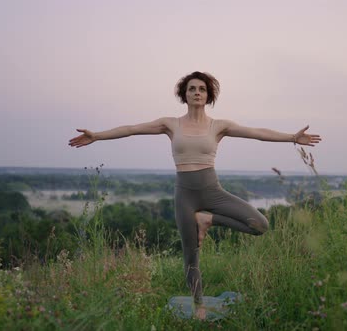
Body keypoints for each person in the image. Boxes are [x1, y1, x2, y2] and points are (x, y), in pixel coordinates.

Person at [68, 71, 322, 319]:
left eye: (202, 89)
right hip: (185, 195)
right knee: (191, 254)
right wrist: (97, 136)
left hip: (213, 192)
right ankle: (198, 304)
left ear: (208, 95)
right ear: (184, 94)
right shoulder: (171, 124)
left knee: (260, 224)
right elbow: (132, 128)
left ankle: (208, 219)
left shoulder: (219, 126)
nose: (197, 92)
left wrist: (292, 137)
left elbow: (257, 133)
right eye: (192, 89)